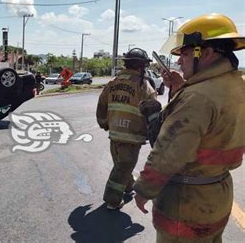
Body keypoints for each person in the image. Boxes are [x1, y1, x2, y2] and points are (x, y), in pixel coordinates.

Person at [133, 13, 245, 242]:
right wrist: (180, 88)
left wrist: (144, 189)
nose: (179, 61)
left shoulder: (197, 98)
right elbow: (214, 121)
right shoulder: (236, 85)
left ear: (206, 52)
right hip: (217, 193)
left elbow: (169, 152)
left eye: (183, 53)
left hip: (187, 202)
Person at [96, 47, 157, 210]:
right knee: (124, 165)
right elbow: (152, 113)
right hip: (132, 135)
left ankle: (129, 186)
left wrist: (104, 122)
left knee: (121, 163)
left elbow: (102, 104)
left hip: (114, 133)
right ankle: (112, 199)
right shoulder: (143, 86)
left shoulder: (113, 83)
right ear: (141, 66)